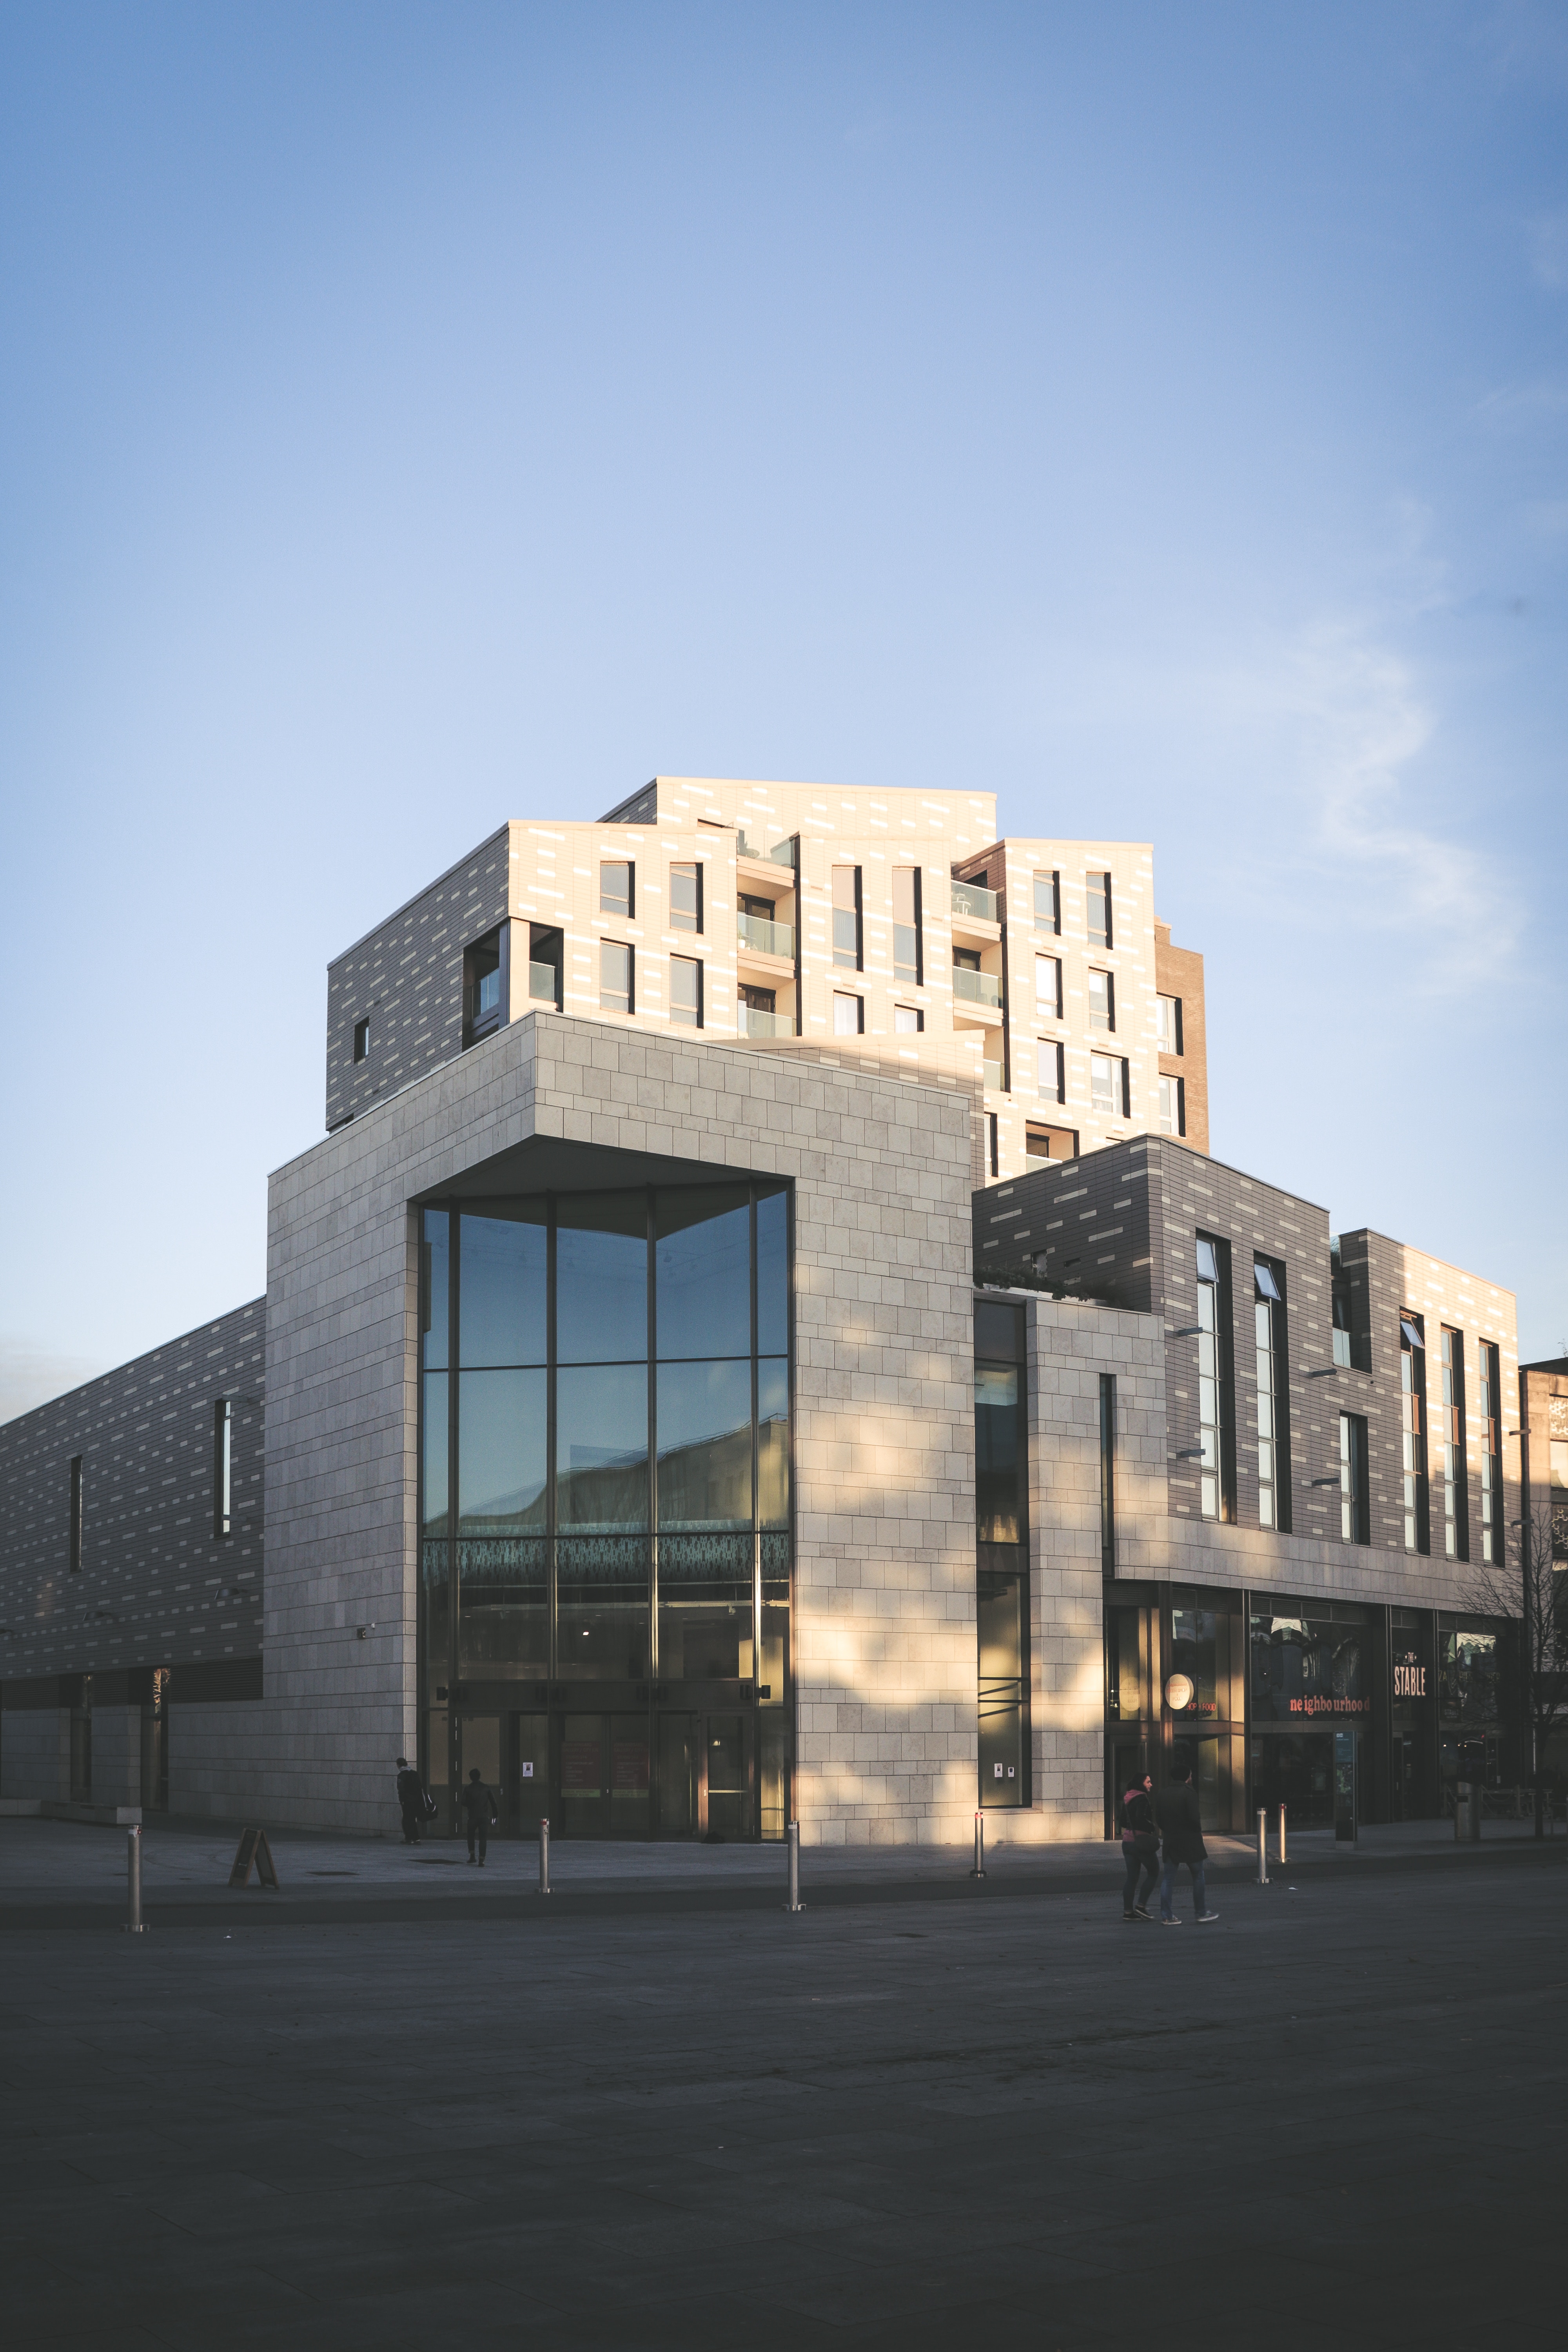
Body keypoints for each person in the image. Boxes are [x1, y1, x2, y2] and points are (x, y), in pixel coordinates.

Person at [1157, 1756, 1219, 1924]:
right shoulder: (1189, 1792)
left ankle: (1167, 1915)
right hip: (1190, 1841)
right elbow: (1194, 1818)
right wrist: (1197, 1830)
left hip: (1171, 1840)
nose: (1192, 1778)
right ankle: (1201, 1912)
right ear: (1186, 1777)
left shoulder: (1162, 1793)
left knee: (1168, 1879)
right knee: (1198, 1875)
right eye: (1191, 1776)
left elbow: (1159, 1820)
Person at [1119, 1768, 1159, 1921]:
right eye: (1148, 1782)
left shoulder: (1128, 1797)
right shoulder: (1142, 1798)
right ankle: (1141, 1906)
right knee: (1154, 1871)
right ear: (1141, 1783)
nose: (1151, 1785)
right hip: (1140, 1842)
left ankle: (1128, 1912)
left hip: (1127, 1842)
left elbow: (1123, 1821)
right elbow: (1140, 1819)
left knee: (1132, 1877)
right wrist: (1152, 1827)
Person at [460, 1764, 499, 1866]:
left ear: (471, 1777)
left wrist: (471, 1805)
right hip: (484, 1816)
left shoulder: (468, 1788)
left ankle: (472, 1855)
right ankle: (482, 1859)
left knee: (471, 1836)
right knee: (483, 1838)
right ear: (479, 1776)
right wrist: (495, 1815)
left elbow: (463, 1802)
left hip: (473, 1816)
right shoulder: (486, 1788)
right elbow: (493, 1803)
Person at [395, 1756, 426, 1846]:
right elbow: (420, 1787)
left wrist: (402, 1800)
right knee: (412, 1819)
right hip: (416, 1800)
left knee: (407, 1819)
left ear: (399, 1765)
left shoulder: (402, 1776)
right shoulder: (414, 1774)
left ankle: (411, 1838)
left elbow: (401, 1789)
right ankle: (414, 1838)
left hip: (407, 1801)